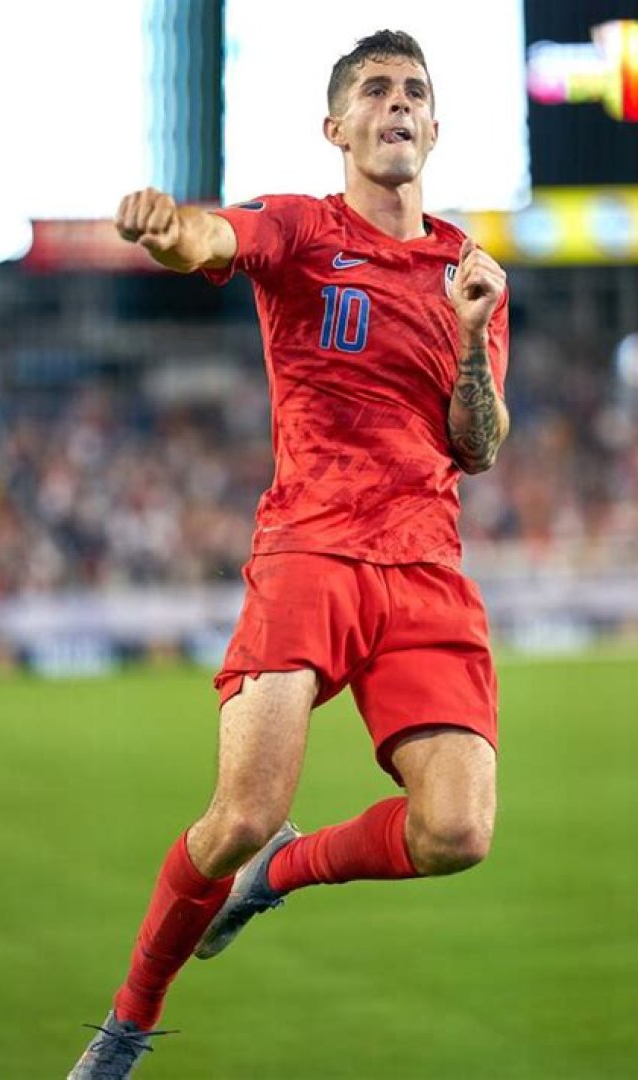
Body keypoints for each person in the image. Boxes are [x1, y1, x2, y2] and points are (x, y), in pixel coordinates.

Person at [68, 28, 510, 1079]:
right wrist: (167, 227)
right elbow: (211, 240)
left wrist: (469, 336)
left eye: (414, 92)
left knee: (457, 832)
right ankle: (125, 1028)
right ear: (336, 128)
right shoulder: (304, 229)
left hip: (426, 566)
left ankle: (282, 874)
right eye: (376, 90)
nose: (397, 104)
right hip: (313, 547)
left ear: (435, 126)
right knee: (238, 815)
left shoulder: (470, 270)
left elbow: (481, 445)